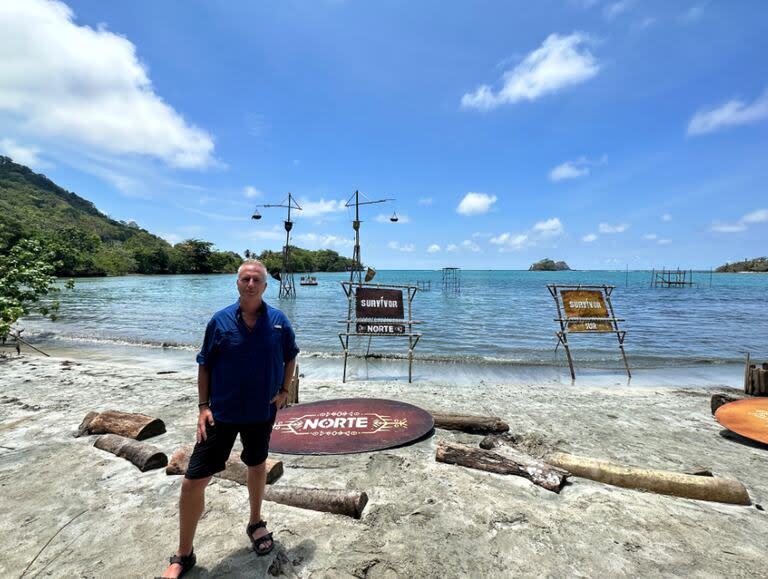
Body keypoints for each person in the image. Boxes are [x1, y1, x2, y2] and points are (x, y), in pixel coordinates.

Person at [161, 259, 299, 578]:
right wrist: (202, 407)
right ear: (237, 283)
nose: (251, 284)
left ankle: (255, 522)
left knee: (256, 464)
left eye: (257, 280)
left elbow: (290, 355)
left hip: (261, 413)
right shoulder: (220, 321)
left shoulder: (278, 322)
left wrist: (284, 391)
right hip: (220, 414)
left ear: (266, 286)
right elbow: (205, 364)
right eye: (245, 279)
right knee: (192, 481)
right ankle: (184, 554)